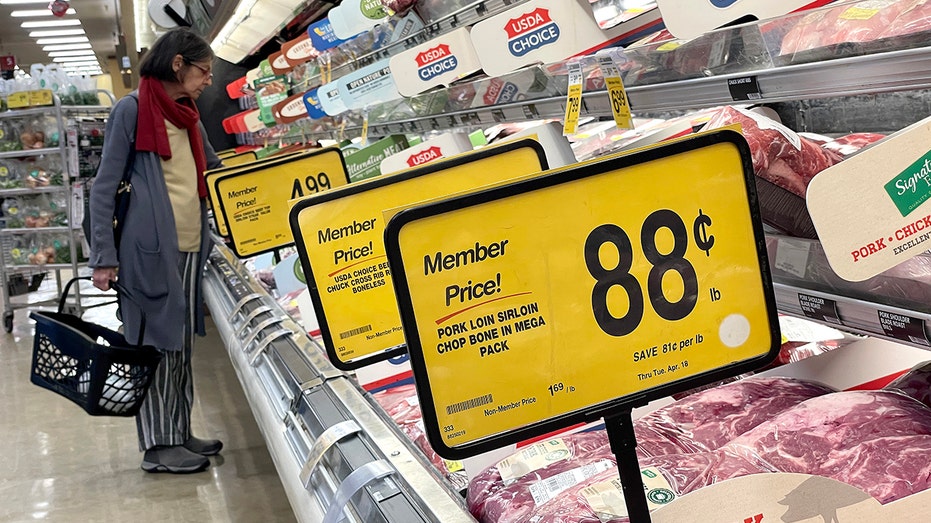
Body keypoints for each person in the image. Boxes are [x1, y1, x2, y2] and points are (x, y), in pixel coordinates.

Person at [88, 27, 224, 474]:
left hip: (188, 247)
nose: (208, 80)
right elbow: (104, 187)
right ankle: (158, 446)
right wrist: (103, 258)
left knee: (180, 346)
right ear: (178, 64)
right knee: (153, 347)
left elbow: (216, 172)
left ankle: (178, 431)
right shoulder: (131, 111)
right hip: (146, 252)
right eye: (204, 71)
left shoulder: (187, 112)